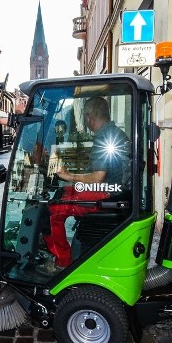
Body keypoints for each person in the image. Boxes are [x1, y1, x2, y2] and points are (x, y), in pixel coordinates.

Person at [44, 97, 130, 268]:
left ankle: (63, 261)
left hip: (107, 195)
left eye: (85, 117)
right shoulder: (114, 133)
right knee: (63, 193)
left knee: (53, 211)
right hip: (114, 190)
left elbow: (97, 177)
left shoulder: (104, 138)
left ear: (89, 117)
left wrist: (69, 175)